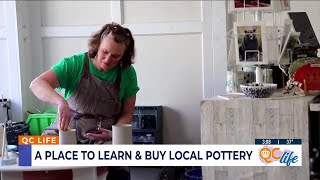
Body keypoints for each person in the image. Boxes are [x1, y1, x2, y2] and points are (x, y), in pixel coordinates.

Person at [29, 22, 139, 179]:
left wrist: (115, 134)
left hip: (101, 137)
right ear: (97, 45)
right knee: (32, 154)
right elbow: (37, 84)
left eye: (115, 56)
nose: (108, 59)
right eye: (105, 52)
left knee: (119, 163)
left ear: (124, 56)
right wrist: (60, 101)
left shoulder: (127, 74)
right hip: (66, 131)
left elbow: (127, 113)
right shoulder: (76, 64)